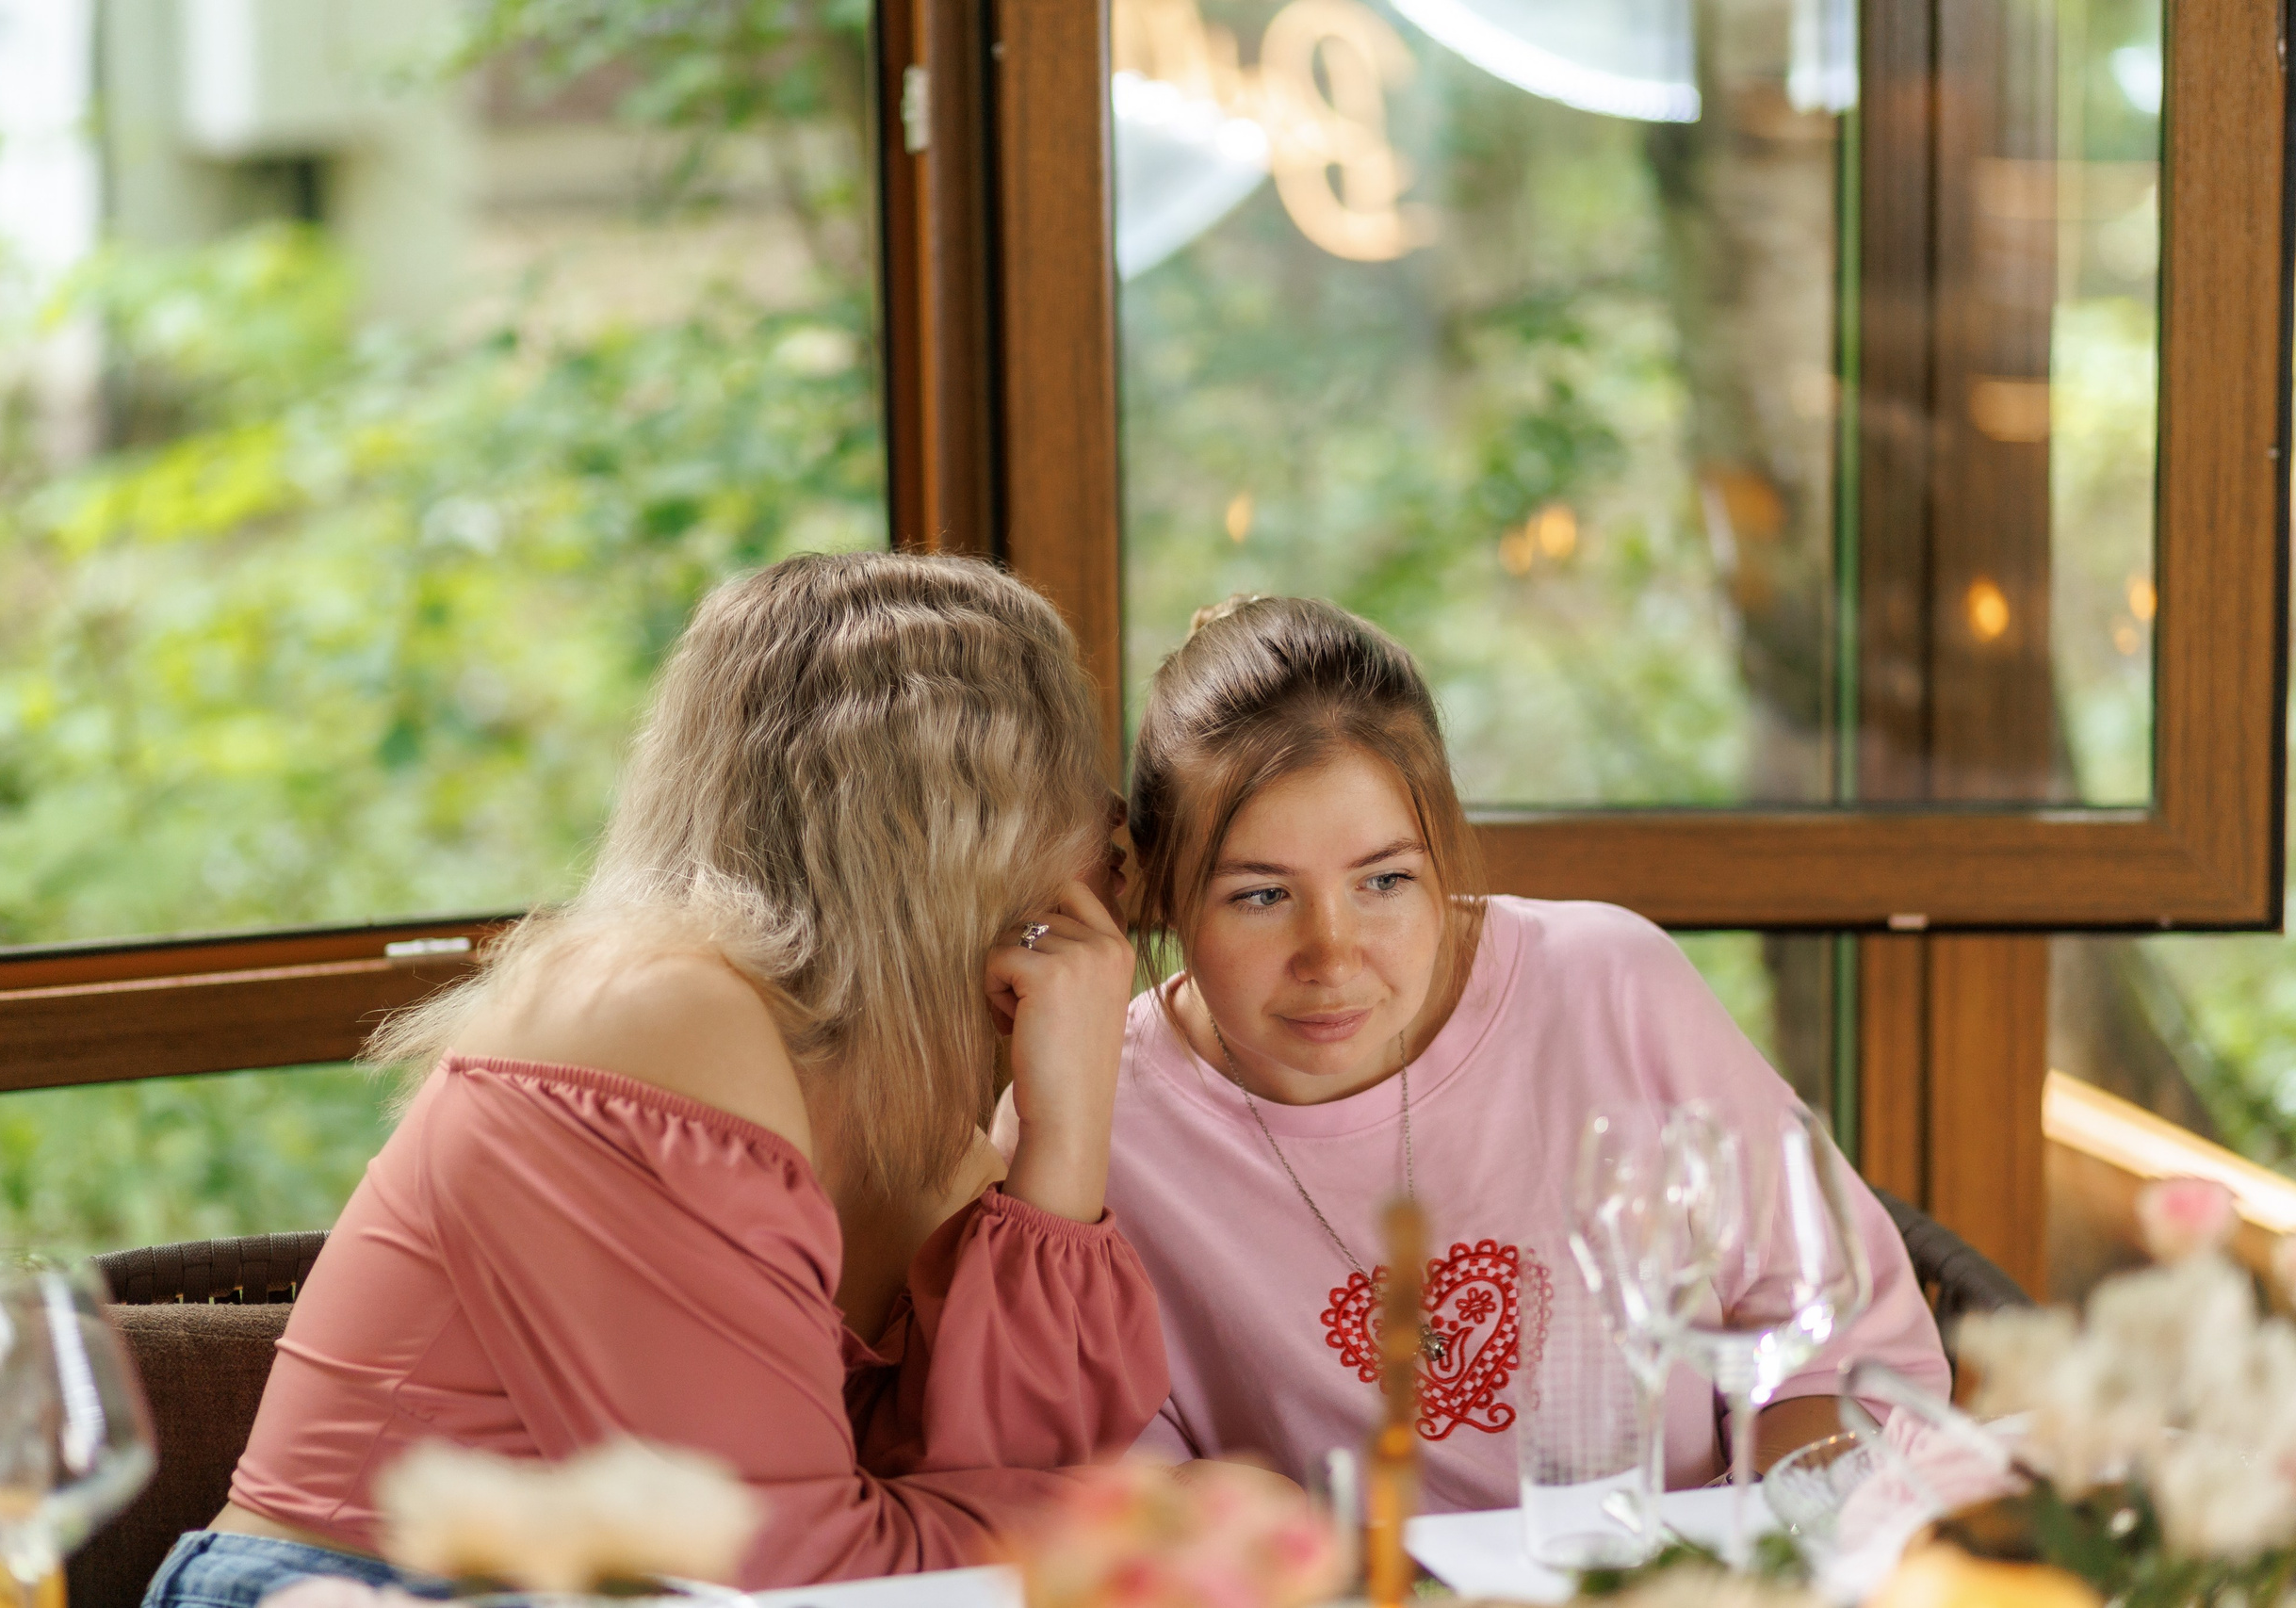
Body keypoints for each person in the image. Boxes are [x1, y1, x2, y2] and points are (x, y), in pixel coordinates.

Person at [143, 553, 1167, 1606]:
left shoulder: (927, 1138)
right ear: (964, 822)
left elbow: (1004, 1505)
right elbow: (788, 1577)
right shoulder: (656, 1012)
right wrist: (1159, 1529)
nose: (1117, 849)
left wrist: (1059, 1138)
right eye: (1075, 789)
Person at [1063, 593, 1947, 1511]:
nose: (1331, 955)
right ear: (1158, 888)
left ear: (1443, 852)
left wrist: (1746, 1542)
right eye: (1260, 895)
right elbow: (1096, 1474)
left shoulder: (1609, 986)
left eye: (1385, 880)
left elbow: (1848, 1351)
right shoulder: (1096, 1120)